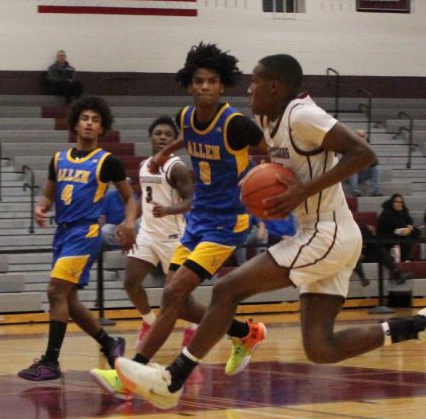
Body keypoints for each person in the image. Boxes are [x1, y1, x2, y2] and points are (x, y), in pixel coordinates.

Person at [113, 53, 426, 410]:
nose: (249, 89)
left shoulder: (302, 115)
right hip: (318, 234)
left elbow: (363, 153)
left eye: (255, 82)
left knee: (227, 290)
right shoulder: (267, 119)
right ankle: (421, 325)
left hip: (328, 232)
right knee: (321, 348)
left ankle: (173, 379)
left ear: (274, 87)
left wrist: (301, 191)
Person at [93, 42, 269, 398]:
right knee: (182, 303)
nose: (205, 87)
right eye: (199, 81)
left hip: (226, 223)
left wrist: (268, 183)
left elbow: (270, 149)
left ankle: (131, 375)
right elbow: (189, 137)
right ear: (190, 84)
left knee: (171, 293)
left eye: (212, 81)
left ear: (222, 86)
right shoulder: (186, 117)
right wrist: (162, 154)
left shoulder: (236, 125)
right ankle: (244, 333)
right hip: (199, 219)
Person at [18, 96, 138, 381]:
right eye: (85, 118)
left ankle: (51, 361)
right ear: (75, 123)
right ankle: (109, 343)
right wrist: (41, 205)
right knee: (69, 300)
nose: (89, 123)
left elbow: (128, 198)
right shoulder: (59, 159)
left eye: (95, 120)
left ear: (101, 128)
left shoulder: (108, 161)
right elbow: (48, 192)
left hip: (86, 233)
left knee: (55, 292)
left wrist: (129, 221)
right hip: (63, 232)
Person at [119, 116, 194, 342]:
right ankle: (149, 322)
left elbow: (192, 200)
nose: (162, 137)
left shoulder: (176, 167)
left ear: (173, 141)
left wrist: (170, 210)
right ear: (150, 137)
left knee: (181, 297)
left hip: (174, 238)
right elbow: (145, 199)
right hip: (148, 235)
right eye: (158, 133)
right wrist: (128, 221)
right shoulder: (144, 165)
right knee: (131, 283)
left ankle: (192, 327)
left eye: (168, 135)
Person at [376, 193, 420, 270]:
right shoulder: (386, 212)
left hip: (400, 232)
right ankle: (405, 258)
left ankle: (406, 258)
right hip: (388, 234)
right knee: (405, 236)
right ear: (392, 202)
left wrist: (409, 227)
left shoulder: (404, 210)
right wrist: (404, 227)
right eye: (396, 202)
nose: (398, 204)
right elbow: (394, 225)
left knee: (415, 231)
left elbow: (409, 220)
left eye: (400, 202)